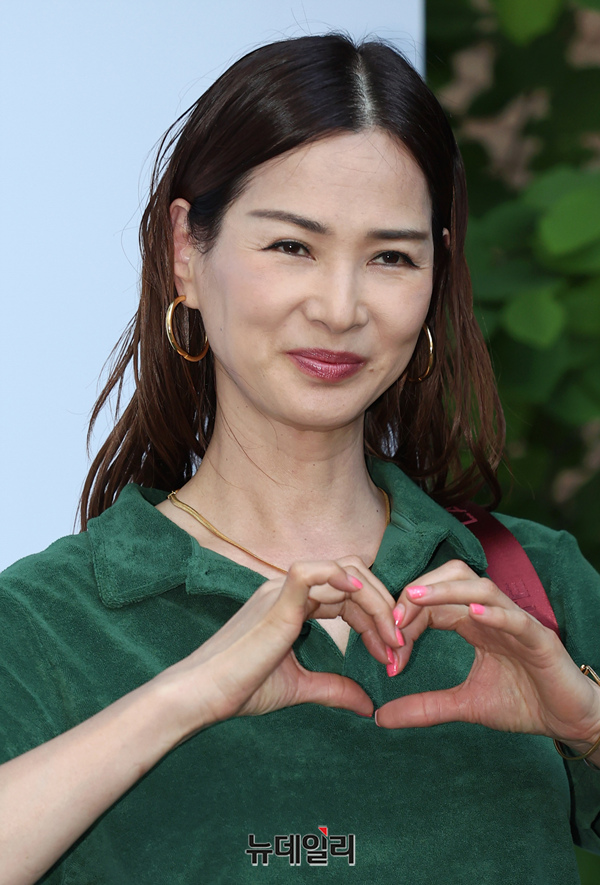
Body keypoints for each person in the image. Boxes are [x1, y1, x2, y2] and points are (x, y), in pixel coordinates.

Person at [0, 32, 599, 885]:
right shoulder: (42, 622)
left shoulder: (535, 586)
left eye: (391, 256)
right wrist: (183, 696)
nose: (340, 307)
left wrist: (589, 728)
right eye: (292, 247)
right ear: (185, 253)